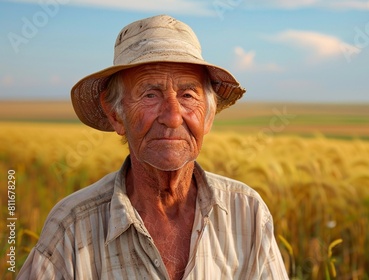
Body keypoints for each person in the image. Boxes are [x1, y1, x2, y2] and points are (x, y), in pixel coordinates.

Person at [18, 15, 288, 279]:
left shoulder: (247, 212)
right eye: (150, 95)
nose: (172, 116)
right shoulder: (72, 227)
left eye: (187, 95)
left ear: (208, 116)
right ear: (116, 115)